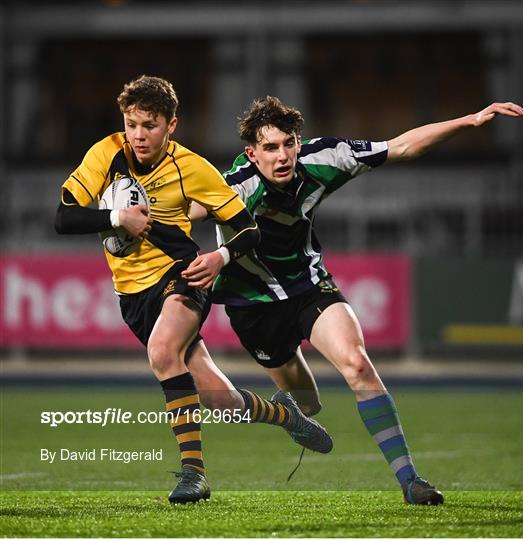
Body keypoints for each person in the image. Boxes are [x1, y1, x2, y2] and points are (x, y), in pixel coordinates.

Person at [188, 96, 523, 505]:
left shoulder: (325, 157)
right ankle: (289, 415)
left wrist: (469, 120)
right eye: (271, 148)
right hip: (253, 304)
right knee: (308, 405)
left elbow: (401, 146)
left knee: (357, 363)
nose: (282, 156)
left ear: (299, 141)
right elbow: (189, 211)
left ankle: (410, 481)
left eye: (288, 143)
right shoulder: (237, 184)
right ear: (252, 154)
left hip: (308, 287)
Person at [54, 77, 333, 505]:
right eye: (131, 124)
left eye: (149, 124)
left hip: (184, 276)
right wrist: (115, 218)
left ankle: (194, 474)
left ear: (171, 126)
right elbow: (63, 218)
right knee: (221, 401)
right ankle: (284, 415)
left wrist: (220, 258)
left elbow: (249, 230)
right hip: (132, 295)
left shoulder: (192, 167)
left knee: (163, 352)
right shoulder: (106, 152)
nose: (138, 134)